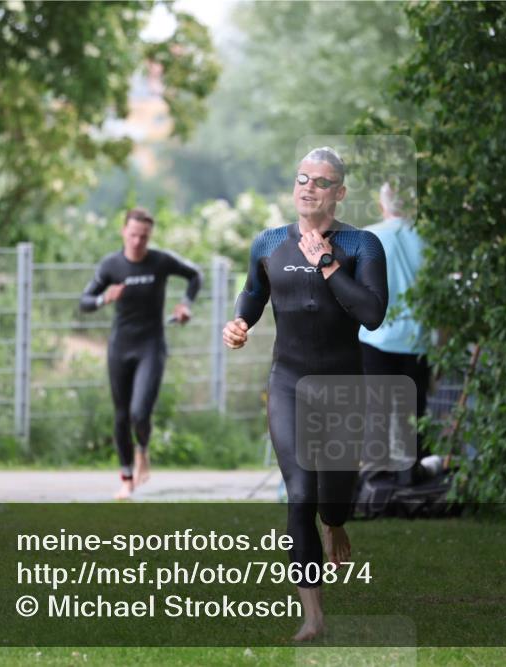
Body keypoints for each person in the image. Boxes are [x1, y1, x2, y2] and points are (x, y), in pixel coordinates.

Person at [222, 147, 388, 641]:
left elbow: (373, 314)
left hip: (342, 386)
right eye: (301, 179)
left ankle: (336, 522)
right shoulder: (269, 243)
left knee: (333, 498)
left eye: (321, 182)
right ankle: (313, 615)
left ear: (339, 192)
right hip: (289, 383)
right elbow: (253, 295)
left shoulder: (363, 245)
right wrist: (239, 323)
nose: (307, 188)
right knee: (299, 495)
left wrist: (329, 265)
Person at [80, 208, 202, 500]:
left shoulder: (160, 261)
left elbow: (194, 275)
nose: (137, 241)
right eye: (133, 234)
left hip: (151, 345)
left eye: (143, 236)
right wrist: (102, 298)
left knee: (139, 412)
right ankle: (126, 479)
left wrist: (185, 305)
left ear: (150, 236)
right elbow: (84, 301)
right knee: (121, 415)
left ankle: (143, 450)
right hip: (120, 346)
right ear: (124, 232)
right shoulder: (111, 265)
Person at [359, 183, 432, 477]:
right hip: (417, 337)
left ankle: (376, 472)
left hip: (375, 336)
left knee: (376, 408)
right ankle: (409, 472)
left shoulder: (369, 237)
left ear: (382, 205)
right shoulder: (428, 239)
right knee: (413, 411)